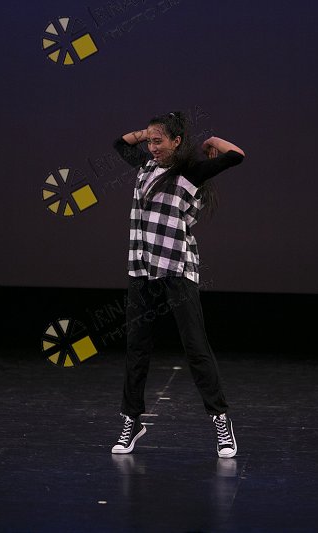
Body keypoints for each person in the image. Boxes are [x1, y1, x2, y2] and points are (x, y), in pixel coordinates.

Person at [110, 111, 245, 458]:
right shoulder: (145, 168)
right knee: (136, 349)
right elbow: (119, 143)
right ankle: (131, 420)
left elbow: (236, 155)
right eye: (150, 142)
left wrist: (211, 141)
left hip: (176, 269)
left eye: (160, 141)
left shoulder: (190, 172)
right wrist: (147, 132)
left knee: (195, 347)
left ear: (177, 142)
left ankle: (221, 420)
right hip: (141, 269)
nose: (152, 147)